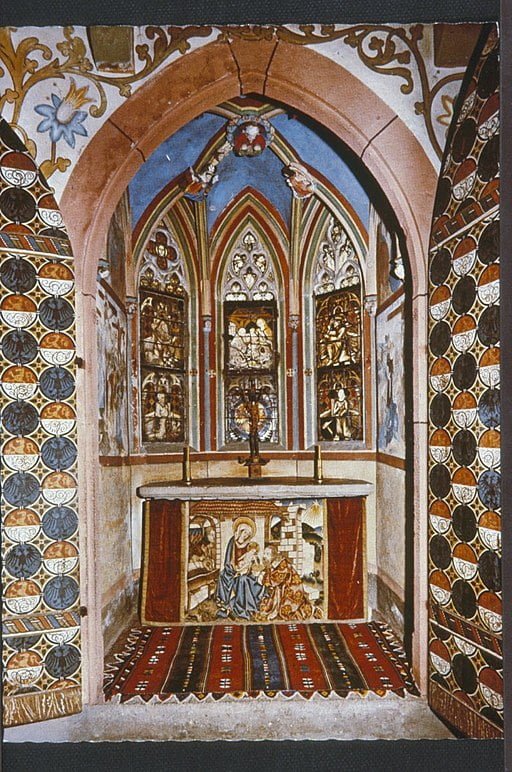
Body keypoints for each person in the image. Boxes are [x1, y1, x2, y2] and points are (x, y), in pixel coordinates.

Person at [216, 517, 265, 619]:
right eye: (244, 532)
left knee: (241, 580)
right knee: (222, 575)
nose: (246, 535)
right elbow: (228, 559)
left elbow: (252, 561)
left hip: (245, 572)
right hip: (232, 569)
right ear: (240, 531)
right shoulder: (232, 542)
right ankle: (224, 604)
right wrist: (232, 569)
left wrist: (245, 568)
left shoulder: (249, 545)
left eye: (248, 534)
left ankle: (238, 607)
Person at [259, 544, 314, 621]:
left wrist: (265, 579)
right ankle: (275, 610)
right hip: (283, 586)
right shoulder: (273, 563)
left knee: (285, 608)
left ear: (273, 555)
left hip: (292, 588)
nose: (265, 556)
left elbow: (277, 579)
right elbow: (270, 573)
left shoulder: (282, 563)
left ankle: (277, 611)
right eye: (264, 553)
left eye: (267, 554)